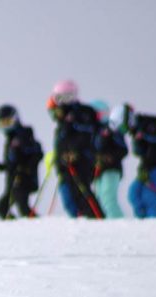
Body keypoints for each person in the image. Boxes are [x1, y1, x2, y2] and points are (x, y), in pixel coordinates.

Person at [47, 80, 105, 219]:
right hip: (64, 164)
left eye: (67, 98)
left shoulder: (84, 113)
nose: (63, 102)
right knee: (68, 195)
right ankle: (80, 221)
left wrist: (75, 152)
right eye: (60, 98)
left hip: (82, 161)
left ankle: (97, 219)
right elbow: (62, 141)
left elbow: (87, 135)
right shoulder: (62, 119)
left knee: (81, 192)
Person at [0, 104, 43, 219]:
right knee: (1, 208)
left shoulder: (24, 134)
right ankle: (15, 229)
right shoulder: (10, 140)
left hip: (23, 180)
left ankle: (38, 226)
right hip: (12, 182)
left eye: (8, 122)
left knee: (22, 206)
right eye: (3, 124)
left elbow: (37, 153)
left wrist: (25, 167)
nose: (6, 126)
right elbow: (10, 165)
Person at [126, 107, 156, 218]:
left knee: (149, 194)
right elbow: (139, 152)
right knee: (134, 193)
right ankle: (143, 223)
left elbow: (155, 150)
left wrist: (145, 170)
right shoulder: (137, 132)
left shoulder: (150, 126)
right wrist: (137, 139)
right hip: (147, 169)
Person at [91, 101, 129, 218]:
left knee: (108, 197)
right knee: (98, 198)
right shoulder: (92, 131)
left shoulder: (112, 129)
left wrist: (109, 158)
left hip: (111, 169)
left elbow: (123, 149)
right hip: (98, 170)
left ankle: (118, 223)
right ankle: (104, 226)